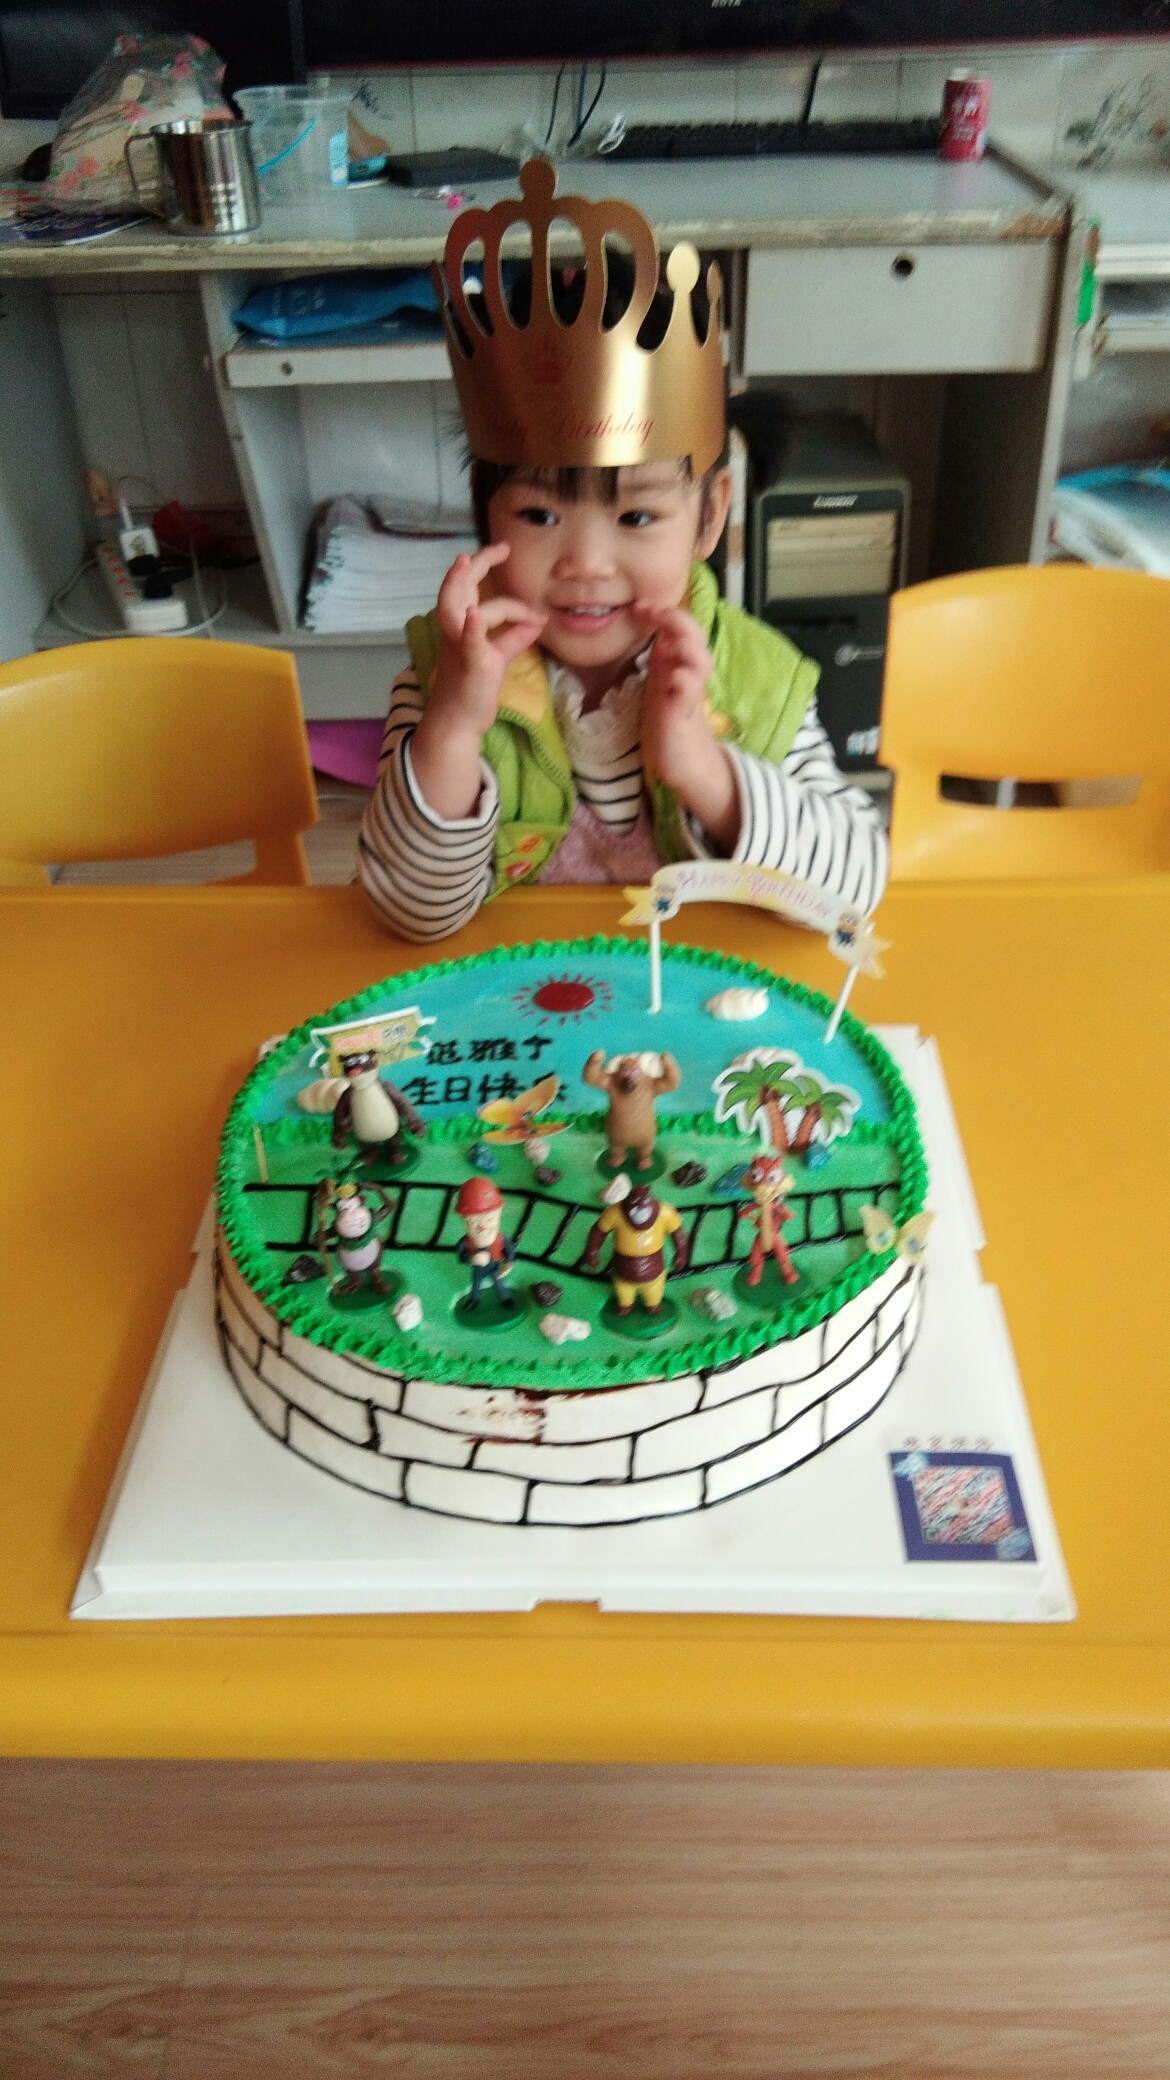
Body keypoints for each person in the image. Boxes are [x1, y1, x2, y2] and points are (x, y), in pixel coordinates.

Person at [358, 162, 887, 943]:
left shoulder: (754, 680)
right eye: (539, 513)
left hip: (702, 991)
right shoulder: (447, 675)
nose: (586, 563)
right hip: (524, 992)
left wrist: (706, 772)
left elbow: (855, 893)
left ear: (710, 518)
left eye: (637, 516)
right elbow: (410, 914)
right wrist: (451, 731)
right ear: (484, 513)